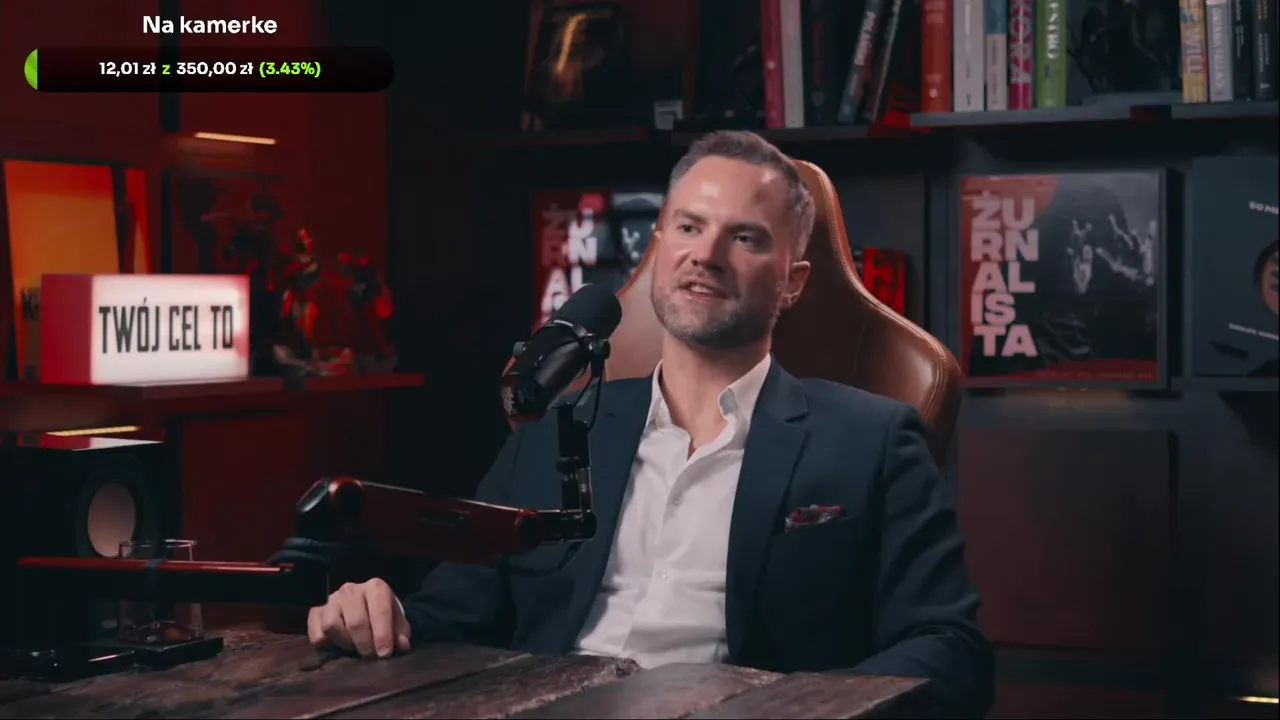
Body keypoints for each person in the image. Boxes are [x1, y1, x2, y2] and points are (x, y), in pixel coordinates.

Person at [308, 130, 994, 715]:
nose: (707, 254)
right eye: (689, 227)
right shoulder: (556, 429)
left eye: (745, 237)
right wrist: (379, 613)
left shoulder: (872, 439)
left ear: (793, 282)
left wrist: (794, 709)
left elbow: (949, 650)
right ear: (660, 245)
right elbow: (456, 612)